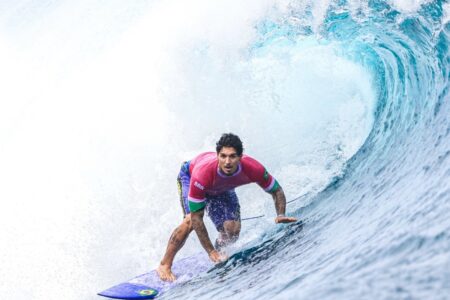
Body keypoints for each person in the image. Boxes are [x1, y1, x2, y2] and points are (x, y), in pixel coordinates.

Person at [157, 133, 297, 281]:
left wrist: (281, 214)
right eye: (223, 156)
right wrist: (210, 251)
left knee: (232, 230)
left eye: (232, 156)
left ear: (240, 156)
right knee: (190, 221)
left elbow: (276, 190)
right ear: (217, 155)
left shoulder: (253, 168)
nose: (227, 162)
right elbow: (197, 218)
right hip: (190, 177)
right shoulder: (201, 174)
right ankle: (164, 264)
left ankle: (220, 249)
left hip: (221, 188)